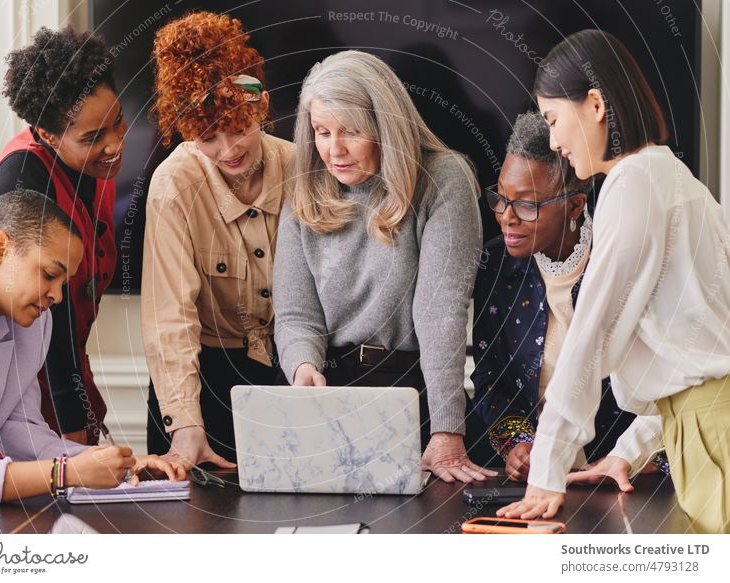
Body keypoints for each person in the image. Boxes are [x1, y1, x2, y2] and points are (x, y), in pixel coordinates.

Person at [496, 30, 730, 533]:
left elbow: (593, 334)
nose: (555, 142)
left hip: (714, 436)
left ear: (597, 104)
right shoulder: (673, 178)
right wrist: (629, 450)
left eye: (555, 120)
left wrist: (548, 469)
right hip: (702, 430)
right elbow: (697, 361)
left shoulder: (632, 183)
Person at [273, 50, 495, 484]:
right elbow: (296, 313)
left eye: (351, 132)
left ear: (385, 127)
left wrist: (447, 429)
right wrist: (302, 369)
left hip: (409, 389)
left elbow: (441, 311)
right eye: (321, 132)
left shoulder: (443, 178)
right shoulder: (304, 188)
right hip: (326, 389)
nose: (333, 150)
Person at [0, 191, 184, 518]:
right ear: (0, 248)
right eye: (50, 274)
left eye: (64, 281)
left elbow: (24, 433)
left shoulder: (31, 322)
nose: (57, 296)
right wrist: (66, 472)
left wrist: (121, 465)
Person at [472, 111, 668, 481]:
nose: (506, 217)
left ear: (575, 206)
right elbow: (489, 380)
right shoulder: (496, 264)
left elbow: (665, 380)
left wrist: (628, 456)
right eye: (500, 198)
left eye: (527, 205)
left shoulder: (622, 256)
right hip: (542, 475)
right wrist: (521, 443)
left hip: (629, 472)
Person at [143, 12, 294, 467]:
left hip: (291, 373)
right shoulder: (173, 186)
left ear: (261, 107)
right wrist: (187, 425)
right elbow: (171, 318)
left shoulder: (302, 167)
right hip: (203, 380)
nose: (228, 150)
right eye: (208, 137)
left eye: (238, 126)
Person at [0, 27, 125, 445]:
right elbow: (51, 326)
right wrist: (75, 443)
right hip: (18, 408)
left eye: (118, 121)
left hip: (70, 391)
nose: (115, 144)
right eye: (93, 138)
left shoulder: (99, 168)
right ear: (47, 135)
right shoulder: (22, 179)